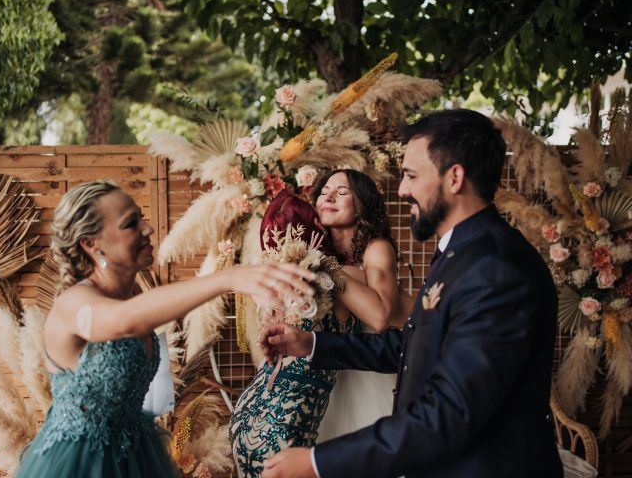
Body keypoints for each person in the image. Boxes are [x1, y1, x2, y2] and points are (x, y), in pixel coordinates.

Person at [260, 109, 563, 478]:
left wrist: (317, 461)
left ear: (454, 178)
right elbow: (411, 345)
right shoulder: (461, 252)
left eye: (411, 176)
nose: (401, 190)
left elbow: (451, 412)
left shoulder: (494, 269)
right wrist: (311, 344)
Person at [15, 180, 314, 478]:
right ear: (91, 244)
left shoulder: (135, 300)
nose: (148, 228)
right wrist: (228, 277)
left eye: (142, 217)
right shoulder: (73, 302)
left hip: (136, 456)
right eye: (131, 224)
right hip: (76, 465)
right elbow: (122, 321)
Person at [229, 190, 369, 477]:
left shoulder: (272, 287)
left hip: (248, 412)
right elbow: (384, 315)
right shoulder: (343, 278)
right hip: (285, 421)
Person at [311, 170, 412, 442]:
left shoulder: (376, 249)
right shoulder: (311, 248)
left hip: (368, 366)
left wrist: (328, 267)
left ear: (361, 204)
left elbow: (380, 318)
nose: (329, 197)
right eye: (324, 192)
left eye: (342, 192)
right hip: (329, 364)